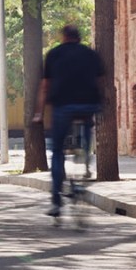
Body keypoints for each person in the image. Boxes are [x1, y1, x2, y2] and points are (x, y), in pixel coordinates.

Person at [33, 24, 105, 216]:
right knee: (85, 138)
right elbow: (100, 82)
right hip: (88, 106)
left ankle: (56, 200)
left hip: (63, 108)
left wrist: (39, 113)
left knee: (57, 151)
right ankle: (85, 167)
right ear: (79, 38)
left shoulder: (54, 54)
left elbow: (45, 87)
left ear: (64, 37)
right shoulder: (91, 54)